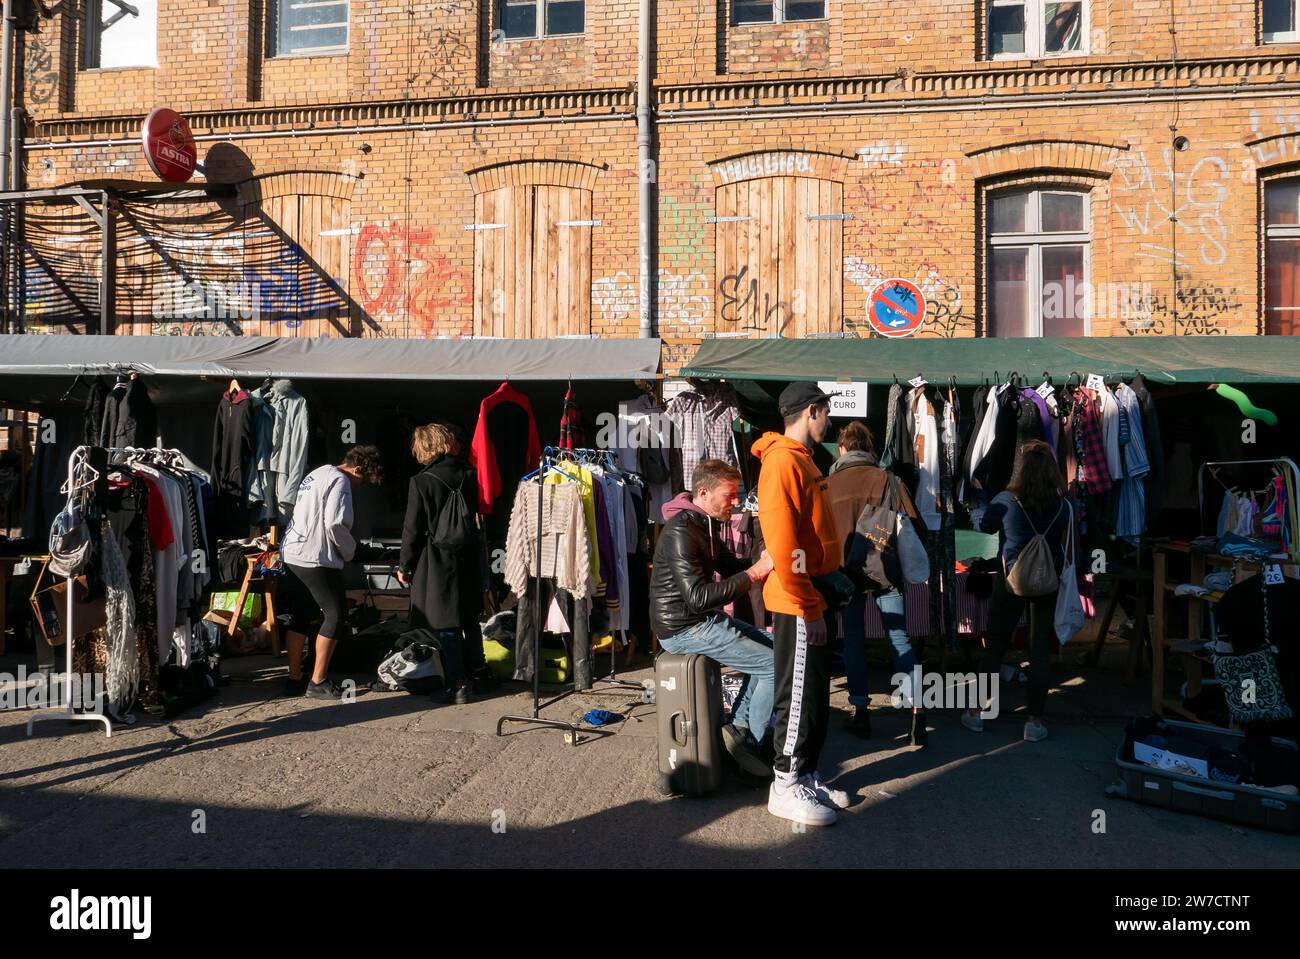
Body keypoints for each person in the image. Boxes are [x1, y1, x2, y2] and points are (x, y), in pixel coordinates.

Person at [753, 382, 849, 826]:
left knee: (812, 695)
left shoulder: (802, 461)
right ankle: (785, 785)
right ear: (813, 411)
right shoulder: (781, 464)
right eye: (827, 412)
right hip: (797, 599)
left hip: (810, 595)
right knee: (796, 696)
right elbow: (784, 545)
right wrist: (809, 607)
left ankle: (805, 774)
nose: (829, 422)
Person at [650, 459, 775, 777]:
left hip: (699, 620)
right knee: (775, 666)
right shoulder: (682, 532)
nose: (735, 503)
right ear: (703, 492)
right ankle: (752, 746)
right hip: (682, 628)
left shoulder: (703, 524)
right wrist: (755, 572)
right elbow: (699, 597)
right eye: (729, 495)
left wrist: (764, 559)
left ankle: (740, 729)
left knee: (776, 646)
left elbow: (729, 564)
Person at [827, 420, 928, 746]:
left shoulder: (827, 485)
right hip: (885, 572)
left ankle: (861, 713)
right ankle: (917, 714)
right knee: (900, 640)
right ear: (869, 448)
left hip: (846, 576)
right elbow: (913, 525)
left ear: (842, 448)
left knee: (853, 642)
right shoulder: (890, 481)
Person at [962, 440, 1070, 742]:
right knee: (1039, 651)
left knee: (995, 645)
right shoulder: (1062, 505)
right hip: (1047, 581)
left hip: (1011, 581)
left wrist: (981, 498)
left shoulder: (1008, 500)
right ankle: (1034, 722)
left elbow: (983, 524)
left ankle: (976, 713)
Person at [281, 444, 385, 700]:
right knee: (336, 615)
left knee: (301, 614)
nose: (360, 486)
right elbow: (336, 525)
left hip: (292, 552)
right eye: (363, 479)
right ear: (358, 468)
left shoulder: (316, 473)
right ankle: (318, 682)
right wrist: (354, 553)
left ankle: (294, 678)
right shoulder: (340, 481)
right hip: (314, 556)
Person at [397, 423, 486, 705]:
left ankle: (458, 683)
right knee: (470, 617)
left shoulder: (421, 482)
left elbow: (412, 529)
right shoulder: (470, 475)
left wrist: (404, 565)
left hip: (436, 559)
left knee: (447, 622)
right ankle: (480, 674)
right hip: (468, 555)